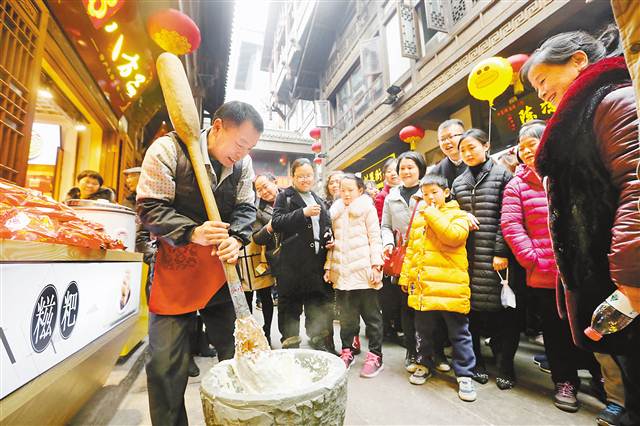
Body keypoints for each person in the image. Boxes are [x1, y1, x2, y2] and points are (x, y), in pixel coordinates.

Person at [522, 27, 639, 426]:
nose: (540, 94)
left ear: (577, 61)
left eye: (542, 81)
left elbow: (637, 188)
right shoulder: (579, 120)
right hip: (611, 284)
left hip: (629, 285)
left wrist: (630, 279)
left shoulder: (614, 102)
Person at [136, 101, 263, 426]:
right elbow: (150, 208)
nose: (242, 152)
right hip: (175, 268)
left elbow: (247, 208)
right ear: (218, 126)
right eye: (240, 143)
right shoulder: (168, 149)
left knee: (240, 357)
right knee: (165, 367)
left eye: (249, 147)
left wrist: (236, 237)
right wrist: (192, 232)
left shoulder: (242, 165)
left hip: (222, 271)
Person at [501, 120, 602, 412]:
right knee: (556, 333)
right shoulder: (516, 184)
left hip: (581, 268)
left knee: (591, 326)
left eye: (532, 145)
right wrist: (532, 258)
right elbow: (511, 225)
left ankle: (602, 380)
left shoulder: (570, 172)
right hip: (544, 270)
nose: (527, 152)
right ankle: (565, 382)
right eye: (522, 149)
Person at [399, 173, 476, 401]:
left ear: (446, 192)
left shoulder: (459, 215)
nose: (429, 197)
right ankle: (424, 363)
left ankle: (464, 375)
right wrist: (406, 277)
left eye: (434, 192)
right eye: (425, 194)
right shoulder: (420, 217)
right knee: (423, 331)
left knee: (459, 333)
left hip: (450, 286)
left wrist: (431, 213)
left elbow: (453, 237)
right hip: (424, 286)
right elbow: (411, 249)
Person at [451, 129, 518, 390]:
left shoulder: (503, 175)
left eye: (472, 147)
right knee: (473, 315)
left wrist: (501, 251)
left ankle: (505, 366)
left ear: (486, 145)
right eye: (463, 150)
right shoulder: (458, 182)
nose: (467, 153)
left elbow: (509, 216)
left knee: (506, 315)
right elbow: (453, 214)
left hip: (497, 257)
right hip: (468, 257)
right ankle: (476, 362)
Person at [324, 174, 385, 377]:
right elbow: (331, 245)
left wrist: (377, 265)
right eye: (343, 189)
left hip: (364, 272)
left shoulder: (367, 208)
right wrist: (328, 268)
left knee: (372, 317)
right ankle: (347, 351)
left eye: (350, 189)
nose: (346, 193)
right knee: (347, 318)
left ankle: (375, 355)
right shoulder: (335, 212)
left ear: (360, 190)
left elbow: (376, 237)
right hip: (342, 274)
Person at [272, 158, 334, 352]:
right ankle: (291, 342)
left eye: (308, 175)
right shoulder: (285, 197)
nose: (305, 179)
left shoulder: (318, 199)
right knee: (290, 304)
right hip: (291, 264)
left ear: (314, 177)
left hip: (316, 262)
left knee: (315, 303)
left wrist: (329, 236)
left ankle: (317, 338)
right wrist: (303, 213)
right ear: (293, 177)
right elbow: (276, 222)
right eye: (300, 176)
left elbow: (326, 224)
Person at [381, 151, 427, 373]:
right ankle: (411, 351)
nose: (406, 171)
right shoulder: (391, 197)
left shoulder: (429, 192)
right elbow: (385, 226)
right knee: (407, 307)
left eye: (411, 167)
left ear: (420, 169)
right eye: (403, 168)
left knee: (427, 308)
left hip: (427, 257)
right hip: (403, 259)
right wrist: (388, 244)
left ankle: (429, 352)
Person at [240, 173, 281, 346]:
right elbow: (258, 235)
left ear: (275, 182)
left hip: (267, 255)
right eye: (259, 189)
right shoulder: (256, 208)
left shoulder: (289, 198)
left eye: (265, 186)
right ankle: (254, 334)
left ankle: (267, 331)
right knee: (250, 296)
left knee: (266, 296)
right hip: (252, 253)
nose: (263, 191)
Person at [375, 158, 403, 343]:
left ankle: (399, 326)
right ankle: (389, 327)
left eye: (396, 170)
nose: (393, 174)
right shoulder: (381, 197)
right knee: (389, 293)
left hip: (407, 247)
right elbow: (382, 224)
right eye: (389, 171)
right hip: (389, 248)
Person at [431, 119, 468, 188]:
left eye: (450, 137)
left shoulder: (480, 161)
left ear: (463, 136)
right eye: (442, 139)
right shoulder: (435, 173)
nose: (446, 142)